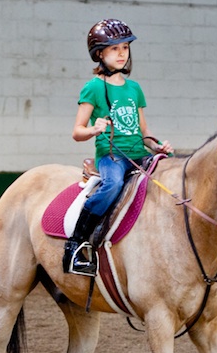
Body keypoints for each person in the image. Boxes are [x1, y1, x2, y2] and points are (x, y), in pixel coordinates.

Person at [63, 19, 174, 277]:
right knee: (112, 186)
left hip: (140, 153)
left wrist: (159, 146)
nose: (122, 53)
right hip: (112, 156)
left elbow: (144, 133)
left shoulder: (135, 89)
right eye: (114, 48)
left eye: (125, 47)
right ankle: (77, 243)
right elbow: (76, 131)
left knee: (172, 176)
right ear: (100, 53)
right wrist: (93, 129)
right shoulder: (93, 88)